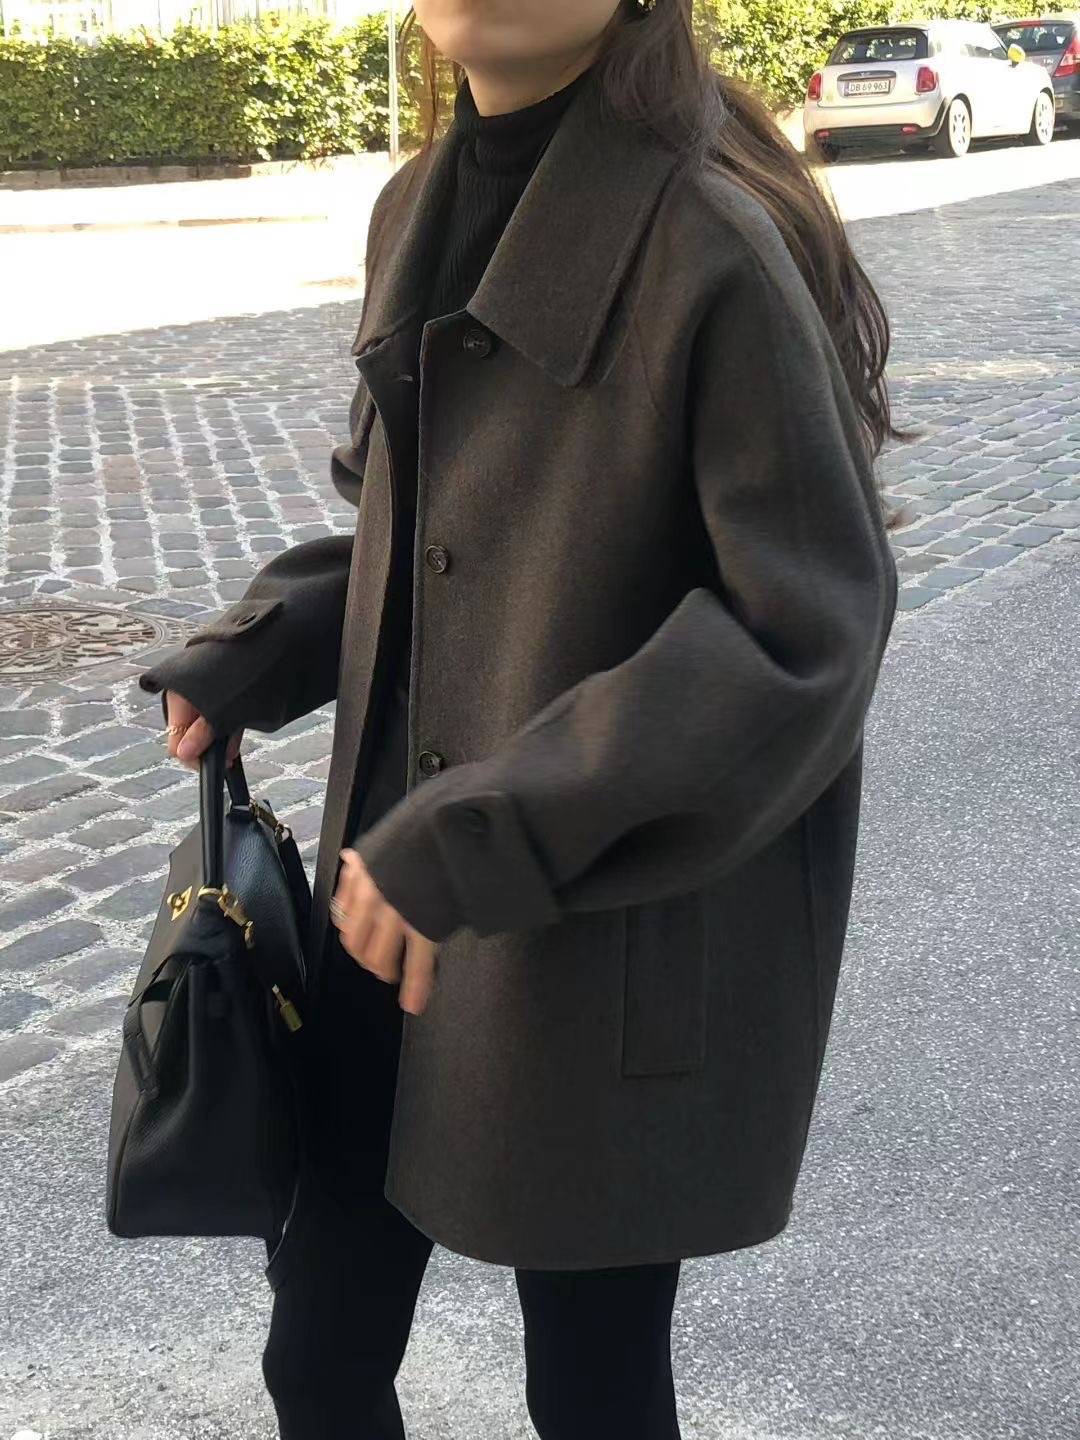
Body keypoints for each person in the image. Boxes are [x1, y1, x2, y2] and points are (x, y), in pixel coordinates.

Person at [138, 1, 902, 1435]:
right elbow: (427, 531)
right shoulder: (413, 205)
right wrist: (266, 643)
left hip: (595, 926)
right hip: (384, 898)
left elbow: (801, 627)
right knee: (319, 1359)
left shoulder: (709, 240)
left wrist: (491, 828)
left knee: (594, 1391)